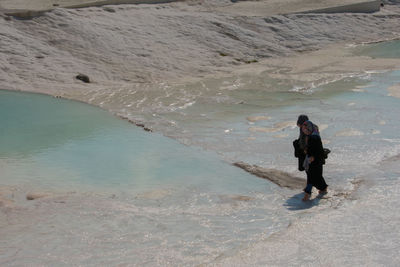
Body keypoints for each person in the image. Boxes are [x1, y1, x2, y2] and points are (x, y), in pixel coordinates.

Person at [301, 120, 328, 201]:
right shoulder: (314, 135)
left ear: (309, 128)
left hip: (314, 161)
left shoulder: (313, 137)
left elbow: (316, 150)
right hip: (316, 161)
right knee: (316, 177)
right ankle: (323, 188)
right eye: (303, 129)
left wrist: (312, 156)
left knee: (311, 178)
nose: (304, 130)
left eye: (306, 129)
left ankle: (307, 195)